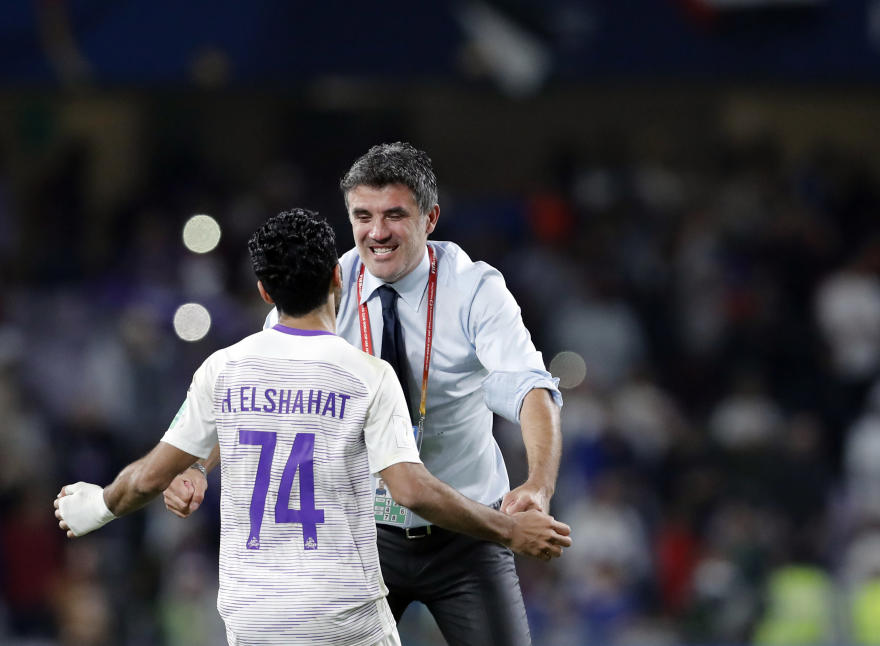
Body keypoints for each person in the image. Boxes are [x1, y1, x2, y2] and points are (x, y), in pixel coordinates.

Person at [55, 208, 571, 646]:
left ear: (262, 291)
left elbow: (149, 478)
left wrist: (98, 506)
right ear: (338, 279)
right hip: (342, 608)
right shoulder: (368, 375)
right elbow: (410, 488)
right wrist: (509, 529)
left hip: (252, 613)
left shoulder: (224, 367)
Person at [166, 144, 569, 645]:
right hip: (360, 536)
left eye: (394, 215)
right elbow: (263, 393)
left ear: (431, 218)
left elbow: (529, 386)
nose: (377, 232)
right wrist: (195, 465)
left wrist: (537, 486)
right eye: (363, 215)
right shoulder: (323, 287)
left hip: (468, 531)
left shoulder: (475, 289)